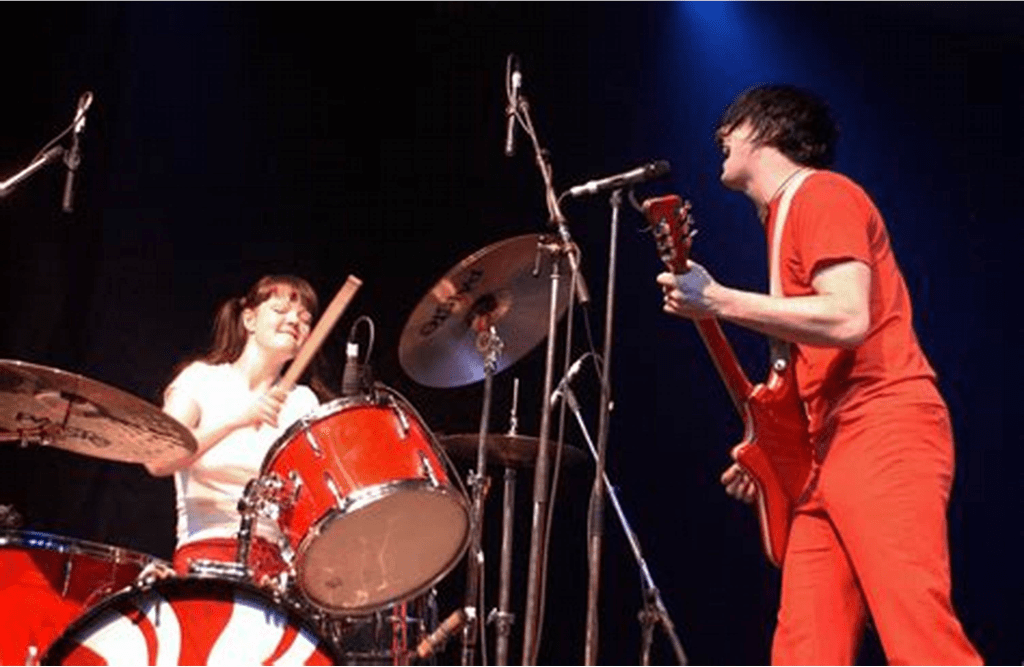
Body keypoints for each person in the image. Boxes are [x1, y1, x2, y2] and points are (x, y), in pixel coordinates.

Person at [657, 85, 981, 664]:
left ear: (768, 130)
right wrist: (769, 456)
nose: (719, 135)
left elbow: (848, 317)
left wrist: (719, 300)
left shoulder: (822, 194)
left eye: (731, 124)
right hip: (826, 451)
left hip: (882, 427)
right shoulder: (783, 219)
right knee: (806, 647)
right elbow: (802, 371)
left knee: (919, 637)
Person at [146, 275, 327, 581]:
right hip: (203, 553)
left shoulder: (303, 402)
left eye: (305, 319)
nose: (294, 320)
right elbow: (158, 460)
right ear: (249, 319)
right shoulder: (200, 379)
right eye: (281, 310)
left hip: (273, 569)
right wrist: (236, 420)